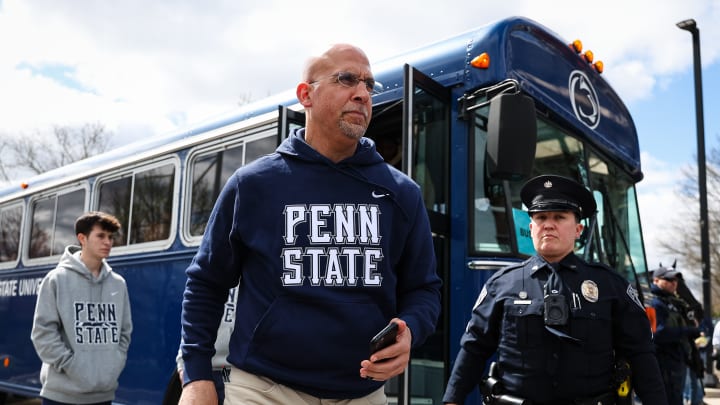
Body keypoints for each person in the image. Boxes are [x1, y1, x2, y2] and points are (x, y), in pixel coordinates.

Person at [178, 43, 442, 405]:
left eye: (369, 84)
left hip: (363, 394)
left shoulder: (402, 193)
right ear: (306, 95)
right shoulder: (252, 184)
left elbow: (424, 289)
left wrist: (411, 328)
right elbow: (206, 282)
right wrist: (196, 375)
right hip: (264, 390)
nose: (363, 94)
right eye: (347, 79)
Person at [442, 174, 667, 405]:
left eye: (559, 217)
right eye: (541, 217)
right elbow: (474, 347)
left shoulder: (611, 285)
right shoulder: (501, 285)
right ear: (531, 228)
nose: (549, 224)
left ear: (578, 229)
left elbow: (641, 354)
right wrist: (452, 400)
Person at [31, 211, 132, 405]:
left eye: (111, 237)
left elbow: (125, 332)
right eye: (101, 236)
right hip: (61, 396)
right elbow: (42, 334)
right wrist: (72, 365)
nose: (108, 242)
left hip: (103, 395)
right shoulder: (56, 279)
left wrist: (115, 363)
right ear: (82, 238)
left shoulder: (118, 284)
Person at [173, 286, 238, 404]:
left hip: (229, 368)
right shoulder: (210, 276)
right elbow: (192, 323)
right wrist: (183, 361)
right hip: (204, 365)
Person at [650, 266, 702, 405]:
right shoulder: (654, 302)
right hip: (664, 362)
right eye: (668, 279)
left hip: (676, 360)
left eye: (675, 279)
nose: (674, 282)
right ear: (656, 280)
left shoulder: (672, 301)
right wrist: (687, 331)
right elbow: (657, 333)